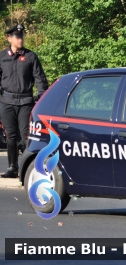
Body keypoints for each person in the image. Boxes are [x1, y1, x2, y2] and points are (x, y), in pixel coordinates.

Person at [0, 24, 48, 178]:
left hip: (26, 102)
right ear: (9, 38)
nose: (20, 39)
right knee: (10, 136)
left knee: (26, 136)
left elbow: (40, 79)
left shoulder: (30, 56)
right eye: (17, 36)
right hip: (7, 101)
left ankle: (29, 168)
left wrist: (41, 97)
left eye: (22, 36)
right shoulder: (2, 57)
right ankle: (13, 167)